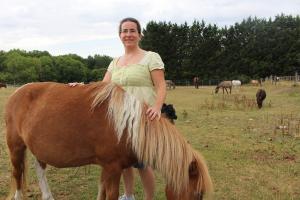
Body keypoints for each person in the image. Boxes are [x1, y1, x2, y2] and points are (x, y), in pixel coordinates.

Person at [71, 17, 166, 200]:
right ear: (120, 35)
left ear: (140, 34)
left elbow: (161, 85)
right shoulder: (115, 62)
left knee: (142, 164)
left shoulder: (151, 57)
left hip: (142, 119)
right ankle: (128, 195)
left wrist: (157, 106)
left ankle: (149, 198)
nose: (128, 34)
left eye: (132, 31)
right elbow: (103, 86)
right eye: (124, 31)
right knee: (122, 163)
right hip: (118, 121)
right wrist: (83, 85)